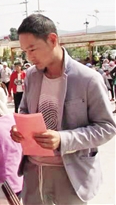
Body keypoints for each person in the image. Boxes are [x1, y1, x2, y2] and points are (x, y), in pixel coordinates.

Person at [10, 14, 116, 204]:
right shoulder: (32, 76)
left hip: (70, 175)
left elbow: (107, 127)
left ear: (52, 40)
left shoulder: (88, 79)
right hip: (34, 172)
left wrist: (63, 139)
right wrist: (19, 129)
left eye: (32, 49)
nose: (29, 57)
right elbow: (24, 110)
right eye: (25, 51)